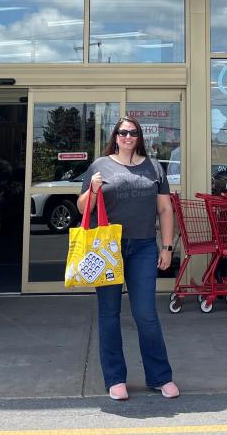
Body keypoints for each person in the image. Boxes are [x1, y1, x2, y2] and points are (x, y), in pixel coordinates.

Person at [78, 116, 179, 401]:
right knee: (109, 312)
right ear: (116, 136)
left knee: (146, 314)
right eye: (122, 132)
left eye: (132, 132)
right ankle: (115, 379)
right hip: (107, 248)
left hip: (144, 247)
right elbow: (82, 206)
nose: (127, 136)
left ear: (139, 137)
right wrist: (94, 189)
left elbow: (165, 210)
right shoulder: (99, 165)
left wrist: (167, 247)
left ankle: (160, 377)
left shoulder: (154, 166)